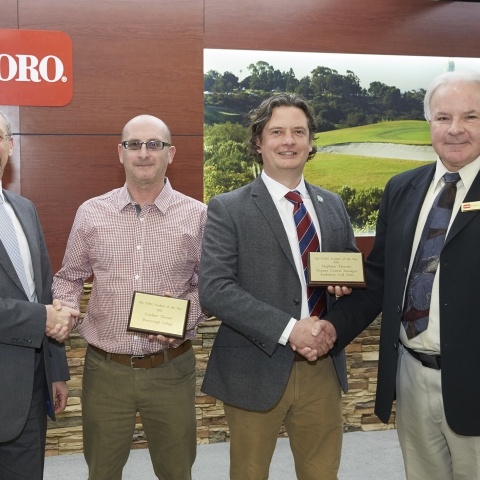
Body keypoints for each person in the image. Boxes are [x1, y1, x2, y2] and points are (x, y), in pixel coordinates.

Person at [322, 70, 480, 480]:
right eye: (443, 117)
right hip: (412, 375)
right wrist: (329, 329)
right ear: (429, 123)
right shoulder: (402, 188)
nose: (456, 129)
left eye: (471, 117)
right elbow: (380, 279)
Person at [198, 93, 357, 480]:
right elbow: (215, 288)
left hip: (321, 365)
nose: (289, 141)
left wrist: (345, 290)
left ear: (310, 141)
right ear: (259, 142)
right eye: (277, 132)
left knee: (322, 473)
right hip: (256, 366)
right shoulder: (228, 207)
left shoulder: (332, 204)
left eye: (298, 132)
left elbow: (352, 274)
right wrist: (290, 330)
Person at [52, 114, 207, 480]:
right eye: (133, 144)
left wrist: (186, 318)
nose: (143, 153)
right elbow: (69, 278)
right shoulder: (91, 213)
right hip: (107, 371)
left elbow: (212, 285)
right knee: (102, 471)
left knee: (176, 471)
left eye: (154, 144)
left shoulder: (198, 215)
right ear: (120, 153)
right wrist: (66, 307)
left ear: (171, 153)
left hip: (170, 367)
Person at [0, 111, 79, 480]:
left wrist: (56, 372)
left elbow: (44, 291)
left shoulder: (24, 210)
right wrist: (41, 318)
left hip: (28, 388)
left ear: (10, 145)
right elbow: (41, 313)